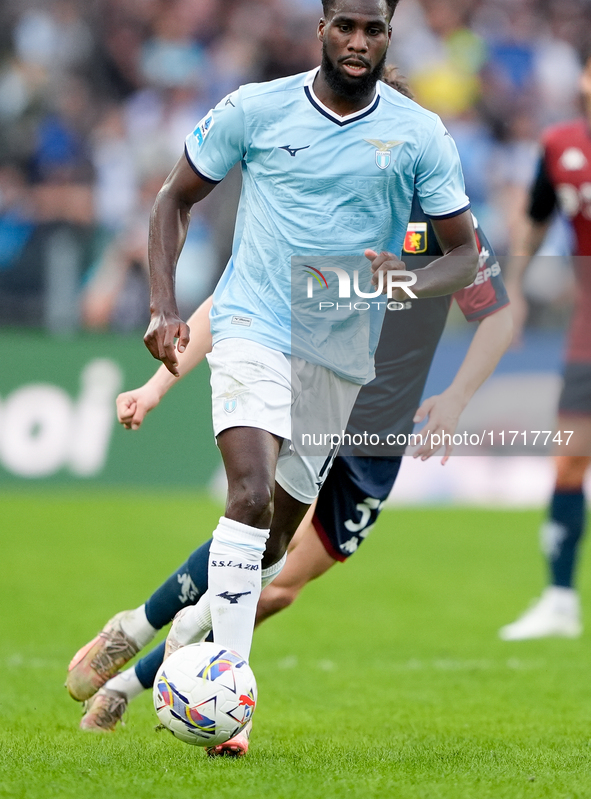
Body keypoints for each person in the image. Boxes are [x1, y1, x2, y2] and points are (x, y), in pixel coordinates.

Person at [67, 70, 509, 753]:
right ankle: (178, 671)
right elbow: (242, 299)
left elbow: (495, 316)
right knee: (249, 510)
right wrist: (156, 387)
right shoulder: (329, 208)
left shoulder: (443, 221)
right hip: (295, 383)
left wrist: (454, 396)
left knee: (273, 579)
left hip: (371, 437)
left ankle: (147, 668)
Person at [140, 0, 478, 696]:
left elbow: (466, 259)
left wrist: (406, 280)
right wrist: (164, 307)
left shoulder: (419, 135)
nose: (358, 41)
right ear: (320, 28)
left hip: (338, 359)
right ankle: (228, 688)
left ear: (390, 38)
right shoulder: (255, 109)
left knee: (274, 540)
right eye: (346, 26)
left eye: (373, 29)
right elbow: (173, 200)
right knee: (250, 495)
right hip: (253, 326)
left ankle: (148, 648)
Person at [499, 49, 591, 641]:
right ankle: (559, 598)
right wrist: (515, 285)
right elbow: (533, 218)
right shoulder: (560, 146)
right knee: (568, 459)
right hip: (587, 332)